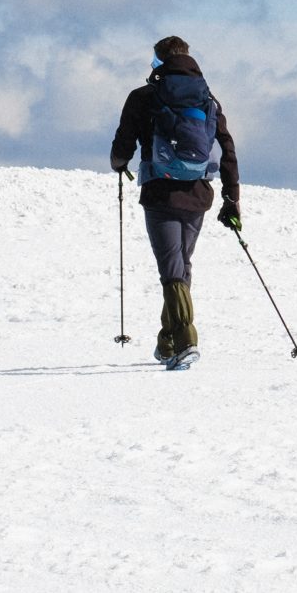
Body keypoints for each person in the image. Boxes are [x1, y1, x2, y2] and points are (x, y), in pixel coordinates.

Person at [110, 35, 240, 369]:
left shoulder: (143, 96)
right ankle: (167, 342)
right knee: (180, 265)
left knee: (172, 271)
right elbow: (226, 148)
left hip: (160, 193)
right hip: (197, 195)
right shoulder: (208, 99)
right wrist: (231, 200)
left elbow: (123, 142)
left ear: (159, 60)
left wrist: (118, 163)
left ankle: (186, 343)